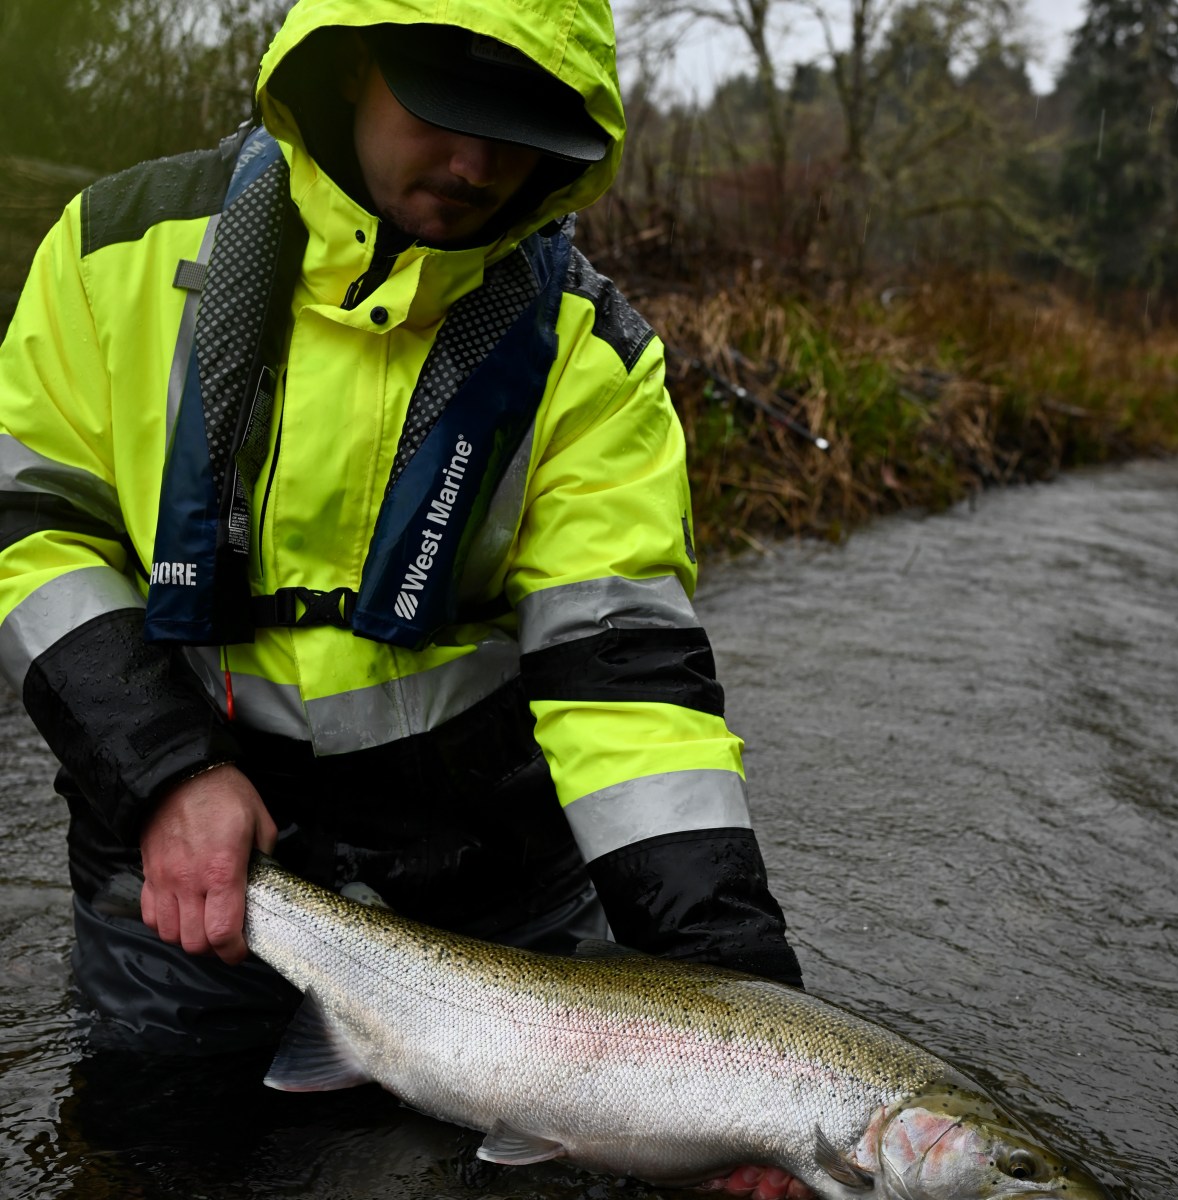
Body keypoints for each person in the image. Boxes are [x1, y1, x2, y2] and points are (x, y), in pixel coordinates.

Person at [0, 0, 803, 1162]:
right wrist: (165, 772)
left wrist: (739, 1004)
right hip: (182, 862)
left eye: (520, 126)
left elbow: (628, 689)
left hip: (493, 906)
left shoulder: (593, 359)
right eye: (444, 109)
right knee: (156, 1151)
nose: (476, 163)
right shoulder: (111, 248)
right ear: (350, 65)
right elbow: (31, 530)